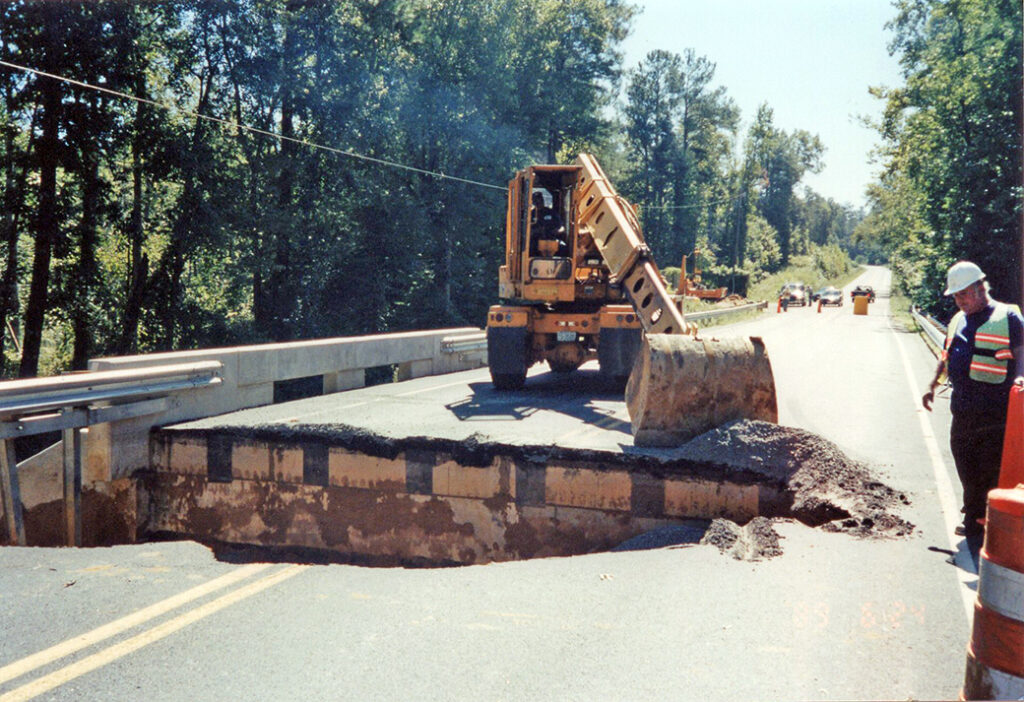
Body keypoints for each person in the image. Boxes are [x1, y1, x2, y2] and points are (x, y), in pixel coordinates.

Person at [922, 261, 1024, 548]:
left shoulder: (1008, 317)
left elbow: (1022, 352)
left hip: (997, 414)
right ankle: (974, 510)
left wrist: (1020, 378)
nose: (960, 301)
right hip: (963, 411)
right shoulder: (957, 319)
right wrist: (932, 385)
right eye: (956, 296)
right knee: (964, 462)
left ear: (981, 288)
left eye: (964, 294)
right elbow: (945, 356)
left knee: (989, 467)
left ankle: (979, 521)